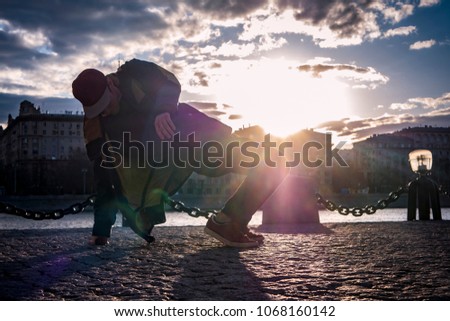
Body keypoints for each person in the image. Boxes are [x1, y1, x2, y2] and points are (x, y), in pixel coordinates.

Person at [72, 58, 289, 248]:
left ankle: (233, 221)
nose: (104, 112)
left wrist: (162, 111)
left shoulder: (135, 72)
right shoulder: (95, 124)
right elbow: (103, 176)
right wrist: (101, 230)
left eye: (105, 104)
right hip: (156, 175)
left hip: (192, 144)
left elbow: (168, 81)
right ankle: (227, 223)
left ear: (111, 84)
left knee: (274, 164)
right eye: (96, 110)